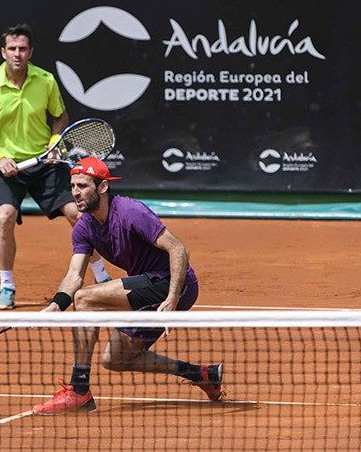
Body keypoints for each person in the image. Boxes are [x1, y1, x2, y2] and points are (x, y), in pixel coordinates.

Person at [32, 157, 223, 416]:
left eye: (82, 186)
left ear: (102, 187)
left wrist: (171, 298)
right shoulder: (84, 227)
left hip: (174, 283)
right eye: (73, 186)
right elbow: (74, 275)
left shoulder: (131, 212)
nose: (75, 192)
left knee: (86, 299)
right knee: (115, 359)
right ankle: (203, 374)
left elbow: (178, 249)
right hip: (145, 287)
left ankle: (79, 390)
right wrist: (56, 305)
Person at [0, 23, 110, 310]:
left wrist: (55, 142)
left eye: (22, 49)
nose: (17, 54)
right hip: (6, 166)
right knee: (4, 217)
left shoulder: (46, 81)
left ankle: (102, 276)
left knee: (77, 215)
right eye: (12, 49)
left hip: (44, 164)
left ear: (30, 52)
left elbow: (60, 116)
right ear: (3, 52)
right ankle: (7, 286)